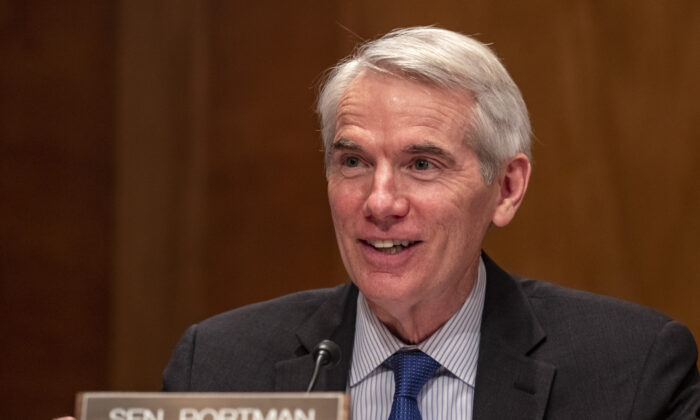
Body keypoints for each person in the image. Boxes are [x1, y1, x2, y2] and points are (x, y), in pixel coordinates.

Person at [159, 26, 700, 419]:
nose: (381, 201)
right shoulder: (219, 365)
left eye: (422, 165)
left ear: (507, 189)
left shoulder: (632, 371)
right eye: (354, 162)